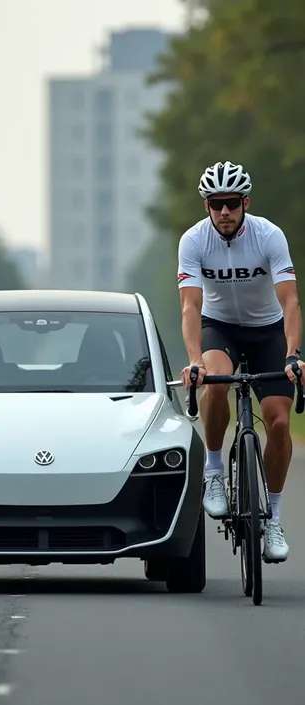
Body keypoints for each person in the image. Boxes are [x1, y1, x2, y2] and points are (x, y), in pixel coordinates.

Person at [177, 160, 305, 563]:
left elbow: (289, 302)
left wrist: (292, 354)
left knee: (280, 422)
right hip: (221, 328)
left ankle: (274, 517)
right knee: (214, 380)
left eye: (231, 203)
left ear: (245, 202)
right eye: (216, 205)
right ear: (207, 208)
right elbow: (191, 308)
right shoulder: (193, 241)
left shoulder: (269, 236)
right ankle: (214, 472)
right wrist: (194, 359)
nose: (224, 212)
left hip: (267, 330)